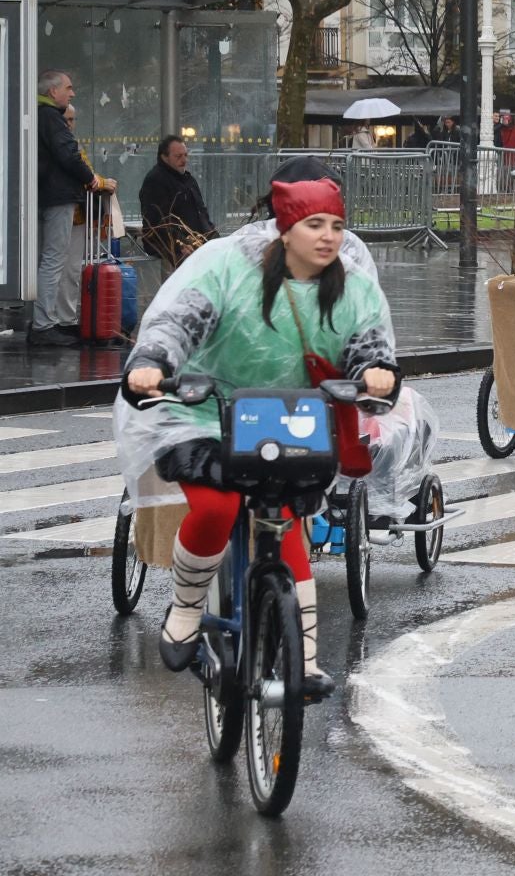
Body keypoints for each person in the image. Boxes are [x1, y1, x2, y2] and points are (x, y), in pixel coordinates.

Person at [119, 170, 400, 699]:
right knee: (217, 507)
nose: (328, 236)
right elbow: (180, 320)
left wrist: (376, 370)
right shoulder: (229, 267)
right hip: (206, 410)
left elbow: (369, 343)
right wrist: (154, 362)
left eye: (337, 226)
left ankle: (306, 660)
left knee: (285, 520)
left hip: (288, 414)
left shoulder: (353, 288)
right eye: (314, 224)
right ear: (284, 227)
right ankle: (184, 610)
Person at [33, 71, 114, 347]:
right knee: (55, 260)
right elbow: (68, 153)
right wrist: (90, 178)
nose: (72, 93)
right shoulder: (50, 117)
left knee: (51, 260)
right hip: (57, 196)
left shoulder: (39, 115)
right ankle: (44, 325)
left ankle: (51, 321)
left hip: (45, 195)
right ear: (53, 91)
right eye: (68, 88)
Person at [139, 136, 219, 270]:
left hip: (195, 239)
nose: (184, 160)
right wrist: (180, 243)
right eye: (178, 156)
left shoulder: (187, 179)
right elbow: (159, 221)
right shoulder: (156, 180)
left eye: (185, 155)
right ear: (164, 157)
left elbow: (202, 212)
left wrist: (213, 237)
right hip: (172, 242)